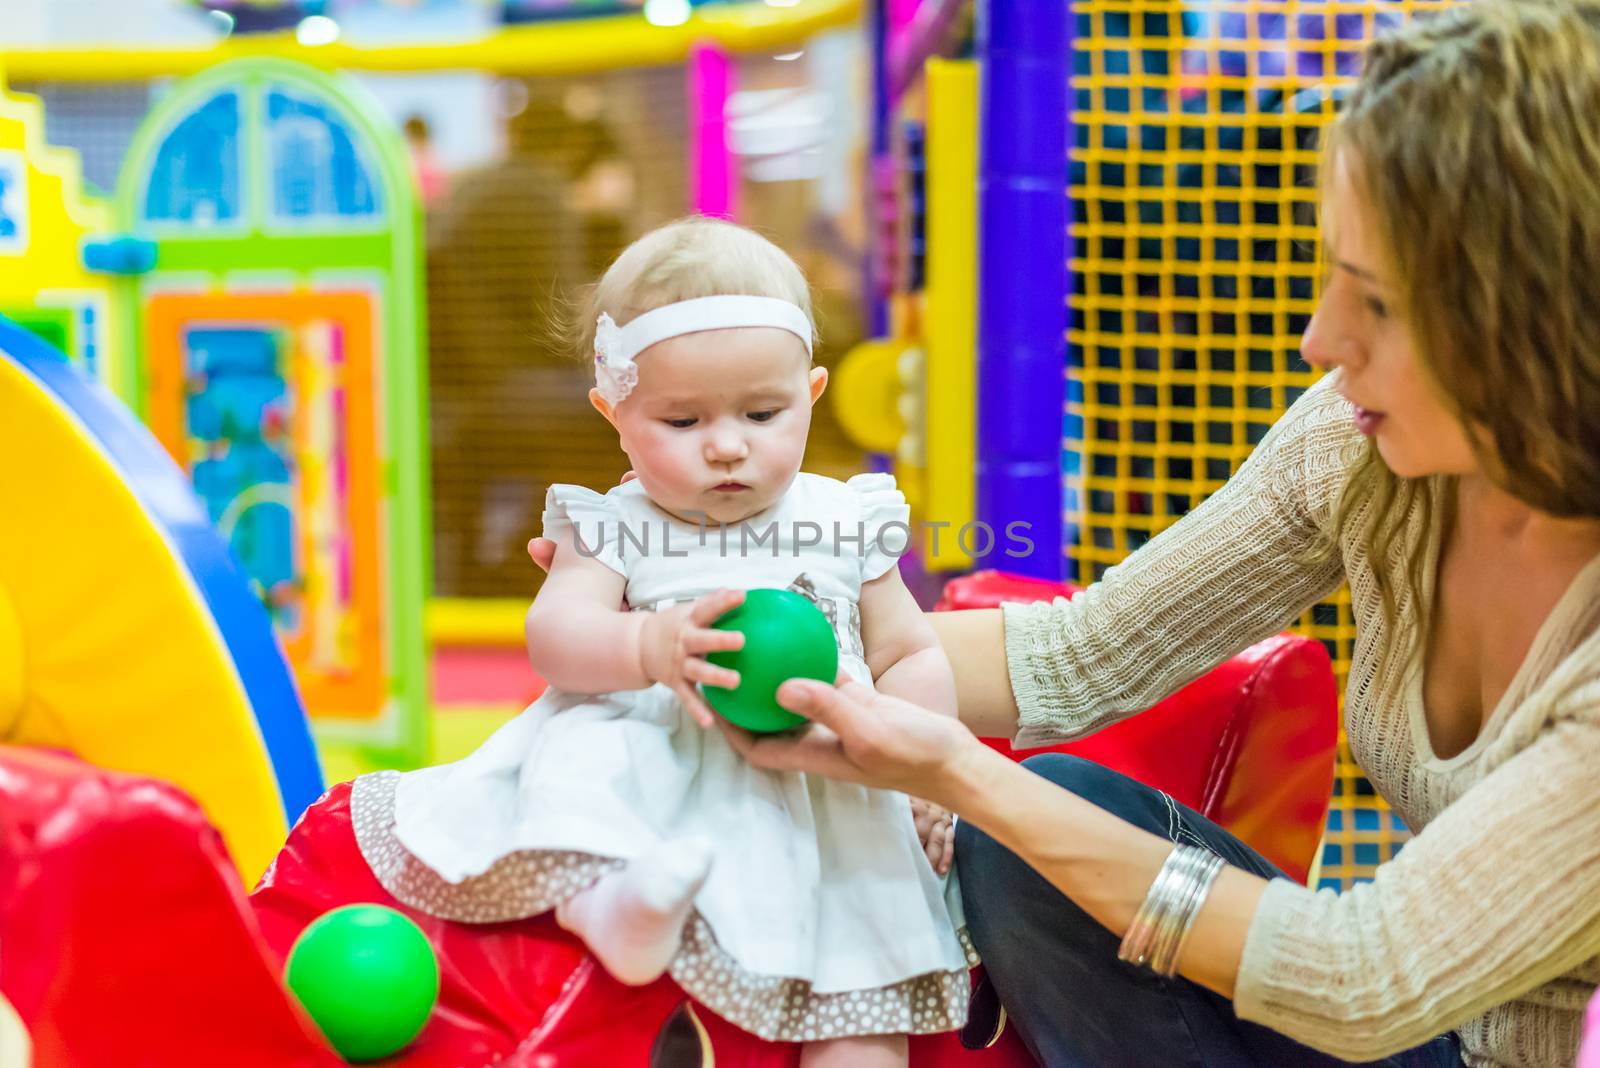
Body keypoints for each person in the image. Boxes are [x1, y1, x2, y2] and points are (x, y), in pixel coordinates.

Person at [702, 3, 1600, 1066]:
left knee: (1019, 817)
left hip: (1437, 1019)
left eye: (1377, 303)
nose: (1321, 338)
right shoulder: (1363, 449)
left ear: (1531, 318)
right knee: (1037, 836)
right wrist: (734, 624)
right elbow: (1084, 652)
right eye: (1329, 275)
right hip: (1412, 1028)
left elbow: (1365, 978)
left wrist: (956, 775)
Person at [359, 217, 971, 1068]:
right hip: (662, 756)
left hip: (828, 786)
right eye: (681, 421)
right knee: (586, 769)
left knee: (861, 966)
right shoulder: (616, 524)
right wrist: (648, 646)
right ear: (616, 414)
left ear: (814, 392)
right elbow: (557, 635)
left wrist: (925, 769)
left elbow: (909, 652)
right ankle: (609, 901)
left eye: (764, 412)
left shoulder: (844, 517)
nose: (727, 445)